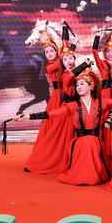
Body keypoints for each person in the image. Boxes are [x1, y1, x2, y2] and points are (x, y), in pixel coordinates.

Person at [16, 69, 112, 186]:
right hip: (81, 142)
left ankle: (94, 174)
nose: (78, 87)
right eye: (77, 85)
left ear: (91, 86)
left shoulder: (100, 103)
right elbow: (51, 114)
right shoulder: (73, 106)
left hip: (95, 141)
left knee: (91, 142)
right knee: (86, 143)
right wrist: (28, 116)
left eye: (82, 84)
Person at [23, 24, 89, 174]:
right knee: (55, 131)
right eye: (46, 52)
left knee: (68, 129)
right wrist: (73, 45)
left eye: (52, 51)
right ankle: (46, 158)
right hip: (59, 97)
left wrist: (65, 29)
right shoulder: (49, 67)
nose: (49, 53)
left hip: (70, 96)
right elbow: (65, 57)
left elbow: (65, 51)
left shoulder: (61, 61)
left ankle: (67, 157)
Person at [92, 29, 112, 166]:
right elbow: (94, 51)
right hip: (106, 93)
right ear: (104, 53)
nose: (110, 53)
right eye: (107, 51)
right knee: (107, 116)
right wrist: (97, 36)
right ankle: (107, 146)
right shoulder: (102, 64)